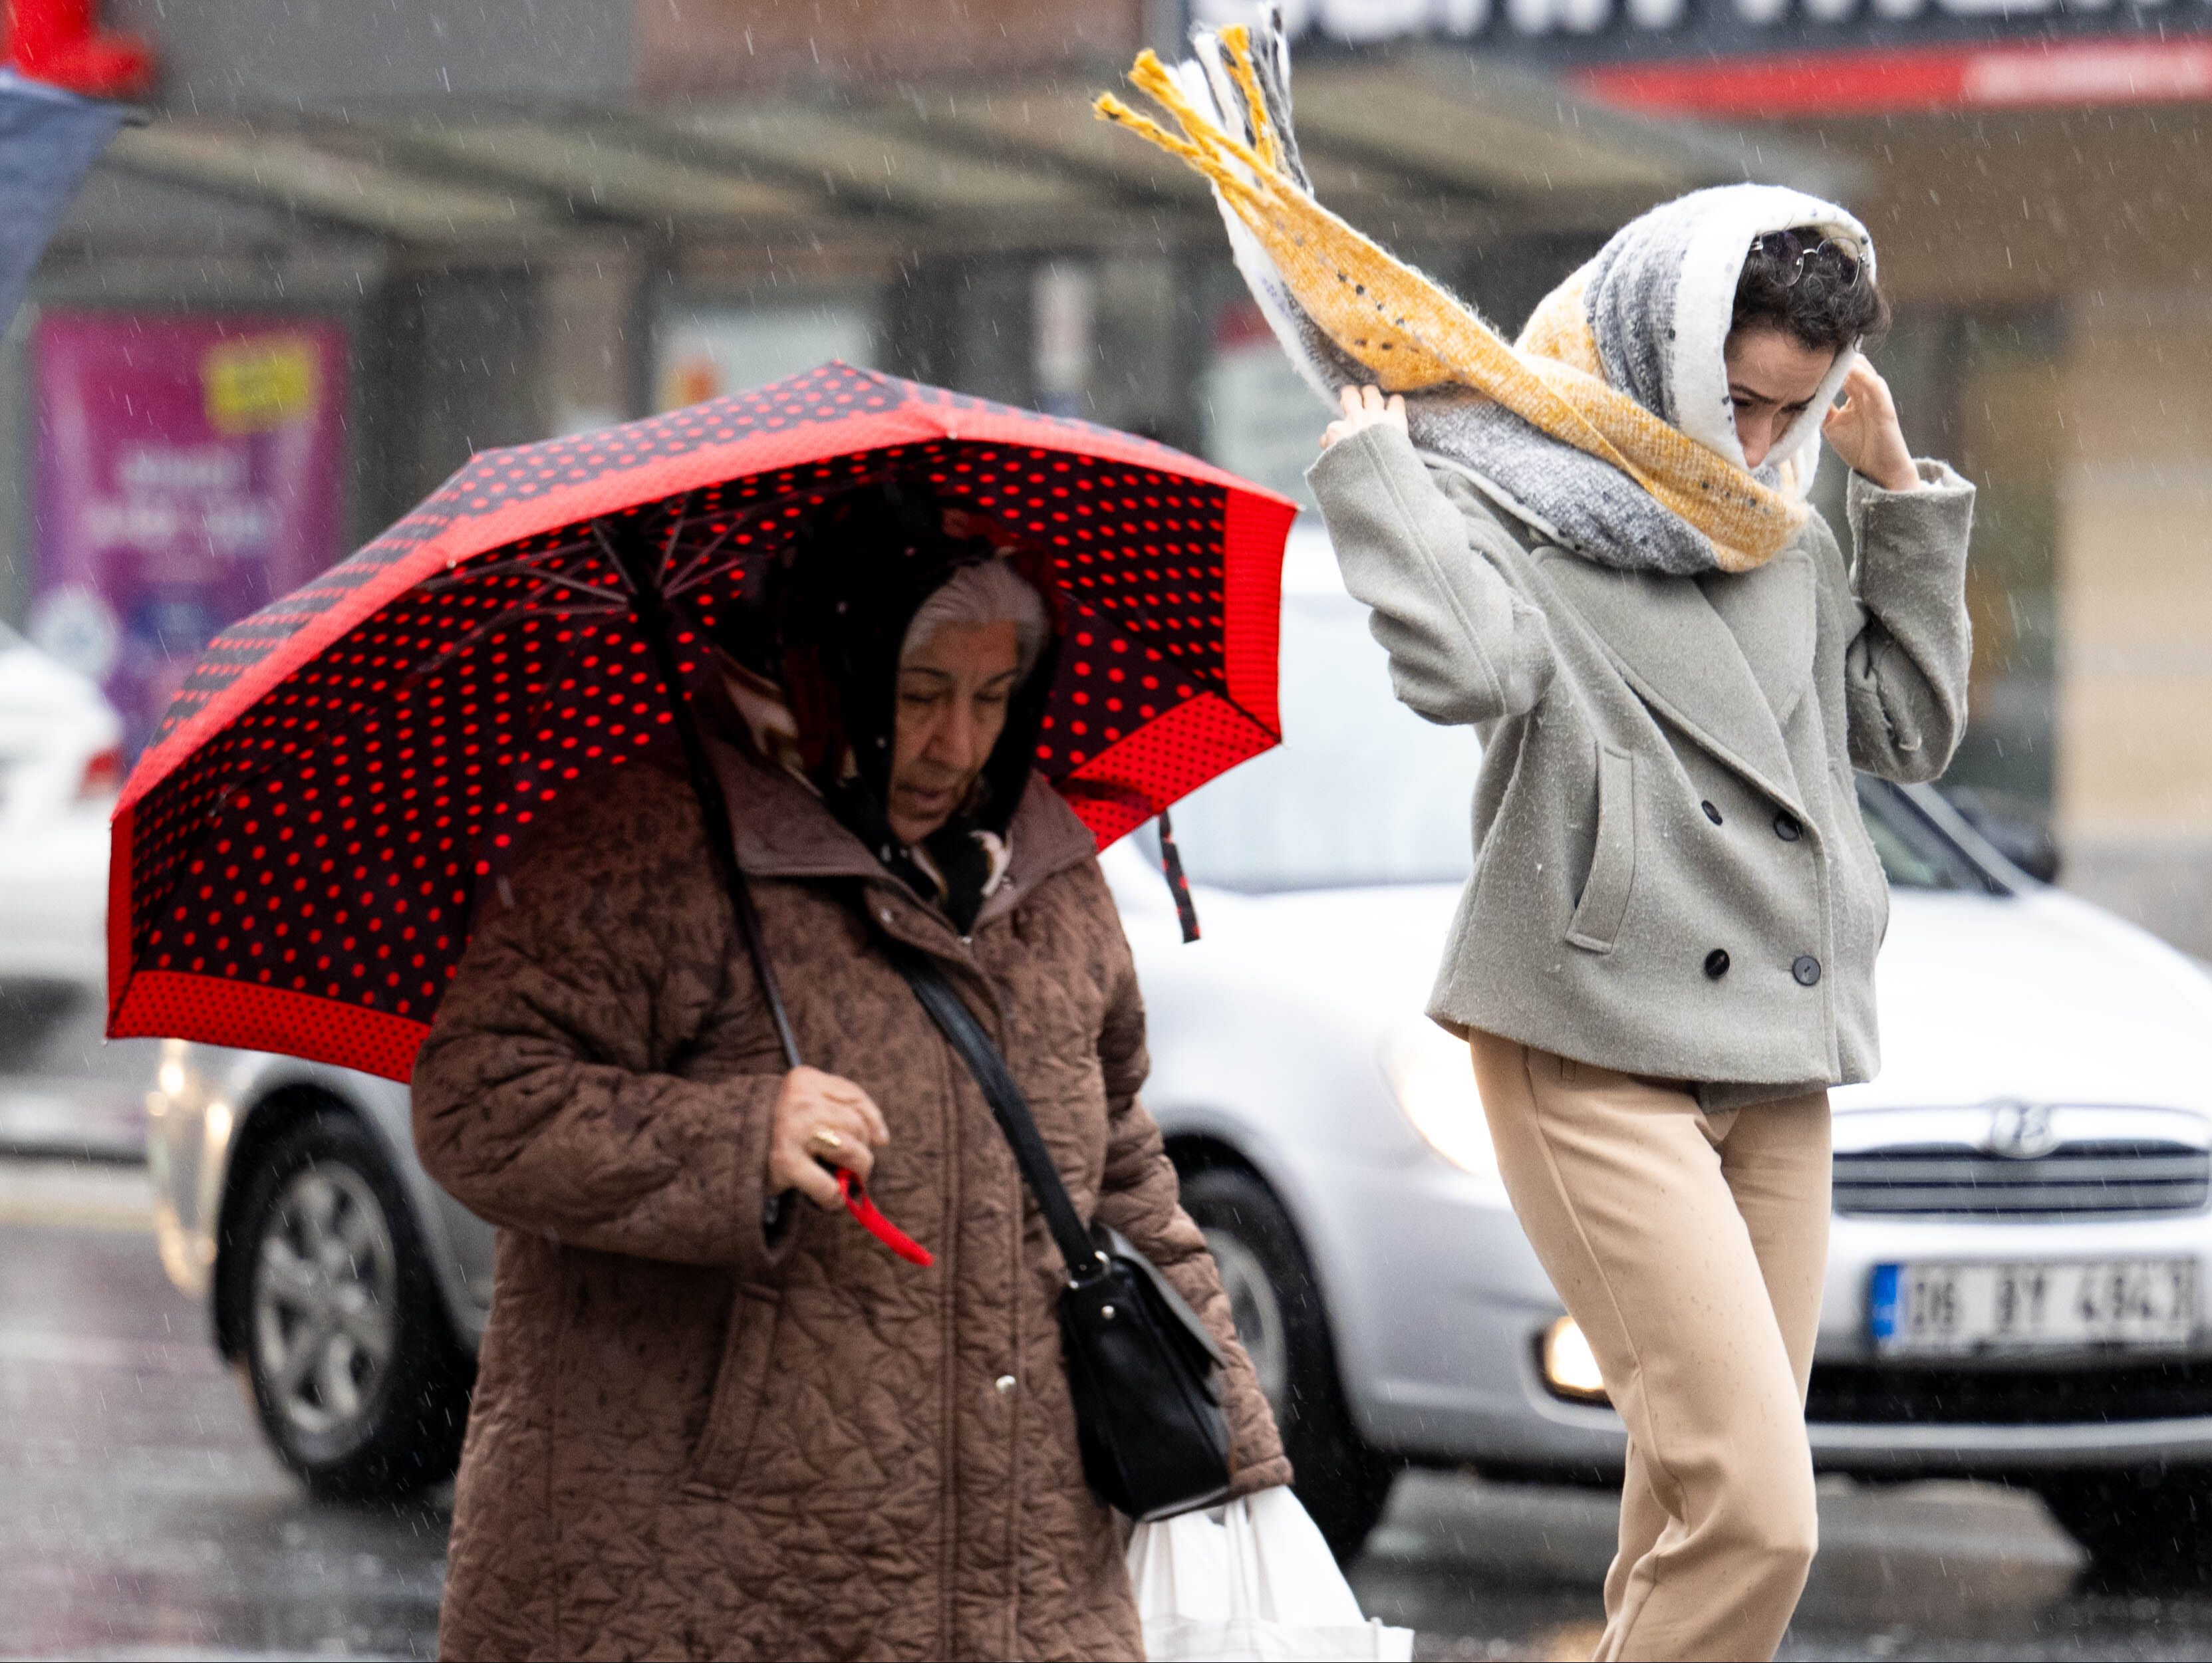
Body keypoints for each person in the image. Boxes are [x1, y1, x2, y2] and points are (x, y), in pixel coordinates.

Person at [410, 498, 1290, 1662]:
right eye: (920, 694)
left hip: (1028, 1582)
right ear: (830, 675)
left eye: (993, 696)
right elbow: (477, 1101)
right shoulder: (650, 839)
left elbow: (1117, 1154)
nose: (958, 744)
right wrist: (739, 1136)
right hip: (715, 1580)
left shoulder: (1050, 867)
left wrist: (1234, 1445)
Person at [1307, 192, 1973, 1662]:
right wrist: (1376, 482)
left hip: (1777, 1058)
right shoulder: (1517, 496)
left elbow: (1905, 732)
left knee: (1689, 1505)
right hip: (1592, 1039)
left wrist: (1892, 491)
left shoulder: (1781, 529)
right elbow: (1470, 673)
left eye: (1790, 409)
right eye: (1735, 399)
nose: (1755, 441)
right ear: (1653, 351)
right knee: (1758, 1516)